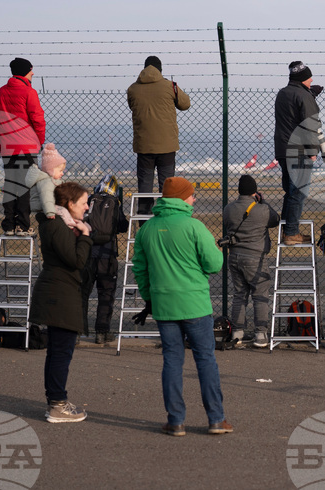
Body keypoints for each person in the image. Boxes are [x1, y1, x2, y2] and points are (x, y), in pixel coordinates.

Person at [131, 177, 232, 436]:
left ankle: (175, 420)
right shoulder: (194, 226)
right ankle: (216, 419)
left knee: (172, 361)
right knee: (206, 360)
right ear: (182, 198)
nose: (194, 199)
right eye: (191, 195)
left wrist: (149, 298)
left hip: (164, 306)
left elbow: (140, 269)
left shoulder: (146, 230)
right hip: (195, 304)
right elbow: (213, 265)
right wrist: (218, 250)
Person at [30, 182, 93, 423]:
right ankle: (57, 405)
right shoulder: (57, 225)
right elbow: (75, 260)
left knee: (58, 351)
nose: (87, 207)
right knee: (61, 353)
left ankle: (56, 401)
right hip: (59, 294)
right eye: (84, 202)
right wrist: (86, 237)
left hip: (60, 292)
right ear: (69, 203)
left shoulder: (60, 223)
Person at [274, 61, 325, 245]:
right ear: (302, 79)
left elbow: (292, 115)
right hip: (298, 150)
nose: (311, 79)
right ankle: (291, 233)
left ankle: (287, 229)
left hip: (283, 149)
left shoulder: (283, 93)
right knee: (298, 192)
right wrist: (312, 150)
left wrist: (309, 94)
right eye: (308, 77)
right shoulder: (303, 96)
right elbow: (310, 123)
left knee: (290, 192)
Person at [127, 56, 192, 214]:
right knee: (168, 186)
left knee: (145, 187)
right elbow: (185, 104)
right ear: (160, 70)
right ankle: (168, 217)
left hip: (144, 147)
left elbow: (132, 106)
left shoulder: (133, 89)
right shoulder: (170, 86)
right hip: (167, 146)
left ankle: (144, 223)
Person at [222, 174, 280, 348]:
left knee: (239, 295)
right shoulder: (262, 209)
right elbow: (275, 220)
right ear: (254, 192)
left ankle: (237, 333)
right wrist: (263, 202)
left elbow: (227, 224)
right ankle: (260, 334)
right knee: (260, 296)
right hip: (256, 257)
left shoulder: (229, 208)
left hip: (234, 256)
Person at [0, 57, 46, 236]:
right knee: (25, 186)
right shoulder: (29, 92)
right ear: (25, 72)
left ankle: (9, 224)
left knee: (10, 184)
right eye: (31, 70)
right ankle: (23, 225)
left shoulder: (1, 92)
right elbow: (38, 119)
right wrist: (39, 141)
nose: (33, 73)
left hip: (8, 147)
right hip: (27, 147)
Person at [85, 174, 129, 345]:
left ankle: (76, 332)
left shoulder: (90, 200)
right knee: (106, 294)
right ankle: (101, 332)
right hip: (107, 255)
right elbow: (123, 226)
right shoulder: (114, 203)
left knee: (83, 294)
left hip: (87, 253)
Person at [25, 143, 66, 221]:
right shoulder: (46, 182)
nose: (62, 173)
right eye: (60, 170)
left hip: (47, 209)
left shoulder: (50, 180)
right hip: (47, 210)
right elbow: (46, 198)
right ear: (51, 170)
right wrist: (50, 212)